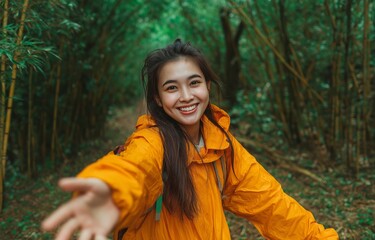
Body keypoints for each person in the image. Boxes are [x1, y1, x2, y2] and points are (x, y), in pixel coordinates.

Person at [42, 39, 339, 240]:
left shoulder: (221, 146)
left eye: (194, 83)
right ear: (158, 99)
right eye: (172, 88)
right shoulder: (152, 142)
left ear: (207, 85)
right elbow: (133, 169)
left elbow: (272, 205)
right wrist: (110, 191)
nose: (186, 97)